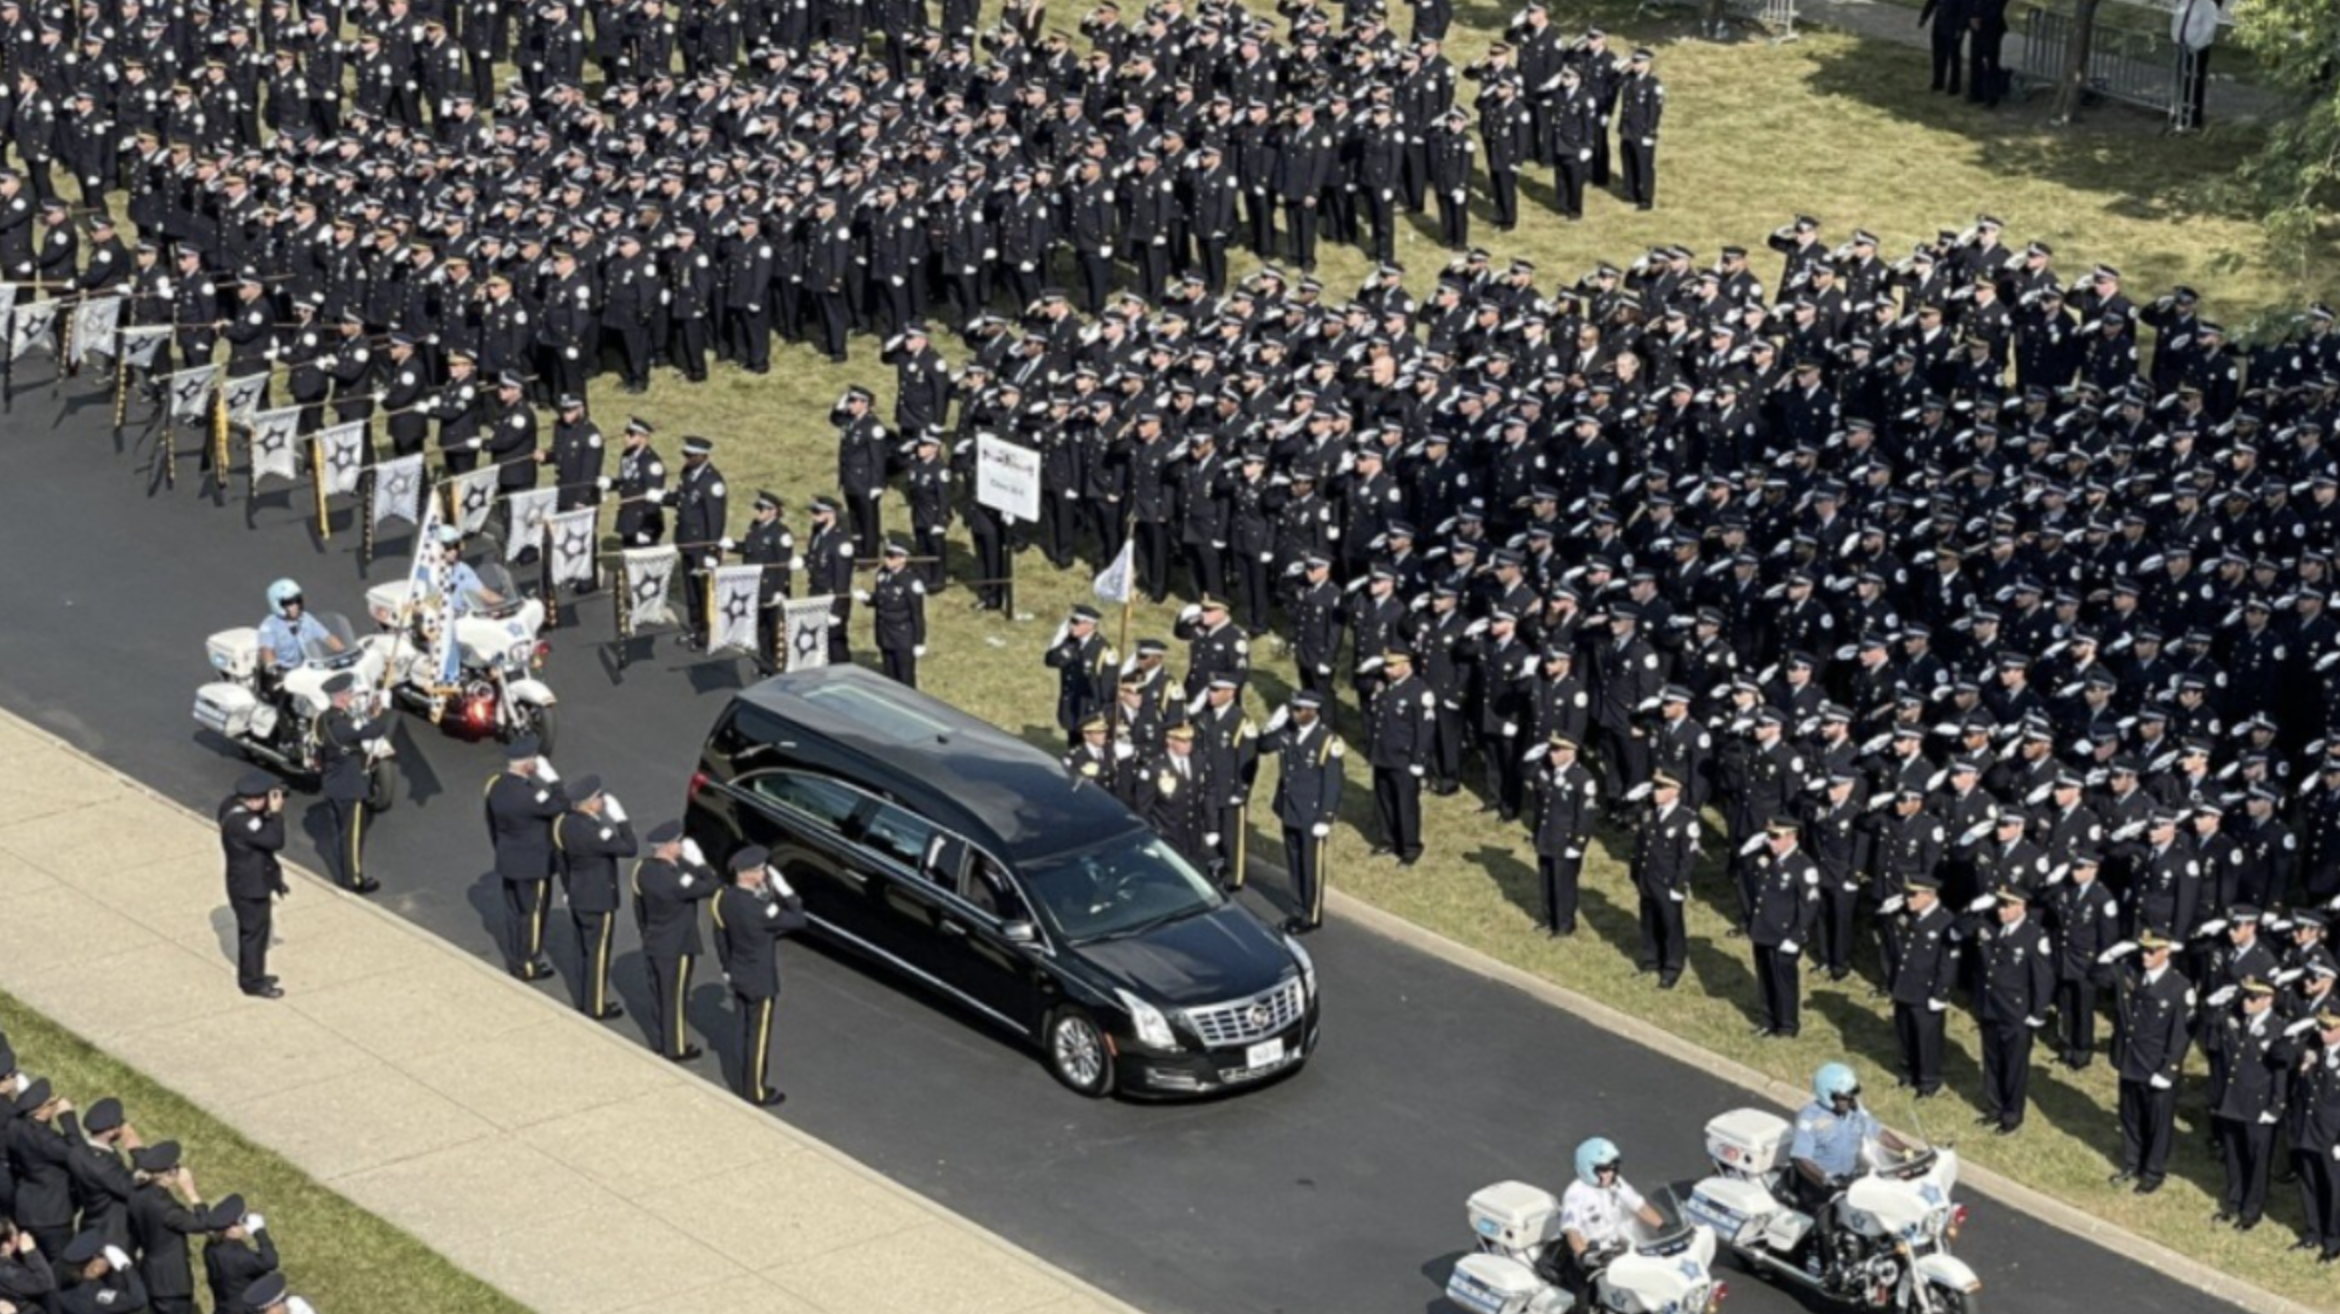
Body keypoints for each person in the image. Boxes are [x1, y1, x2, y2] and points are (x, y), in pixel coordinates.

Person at [711, 846, 808, 1106]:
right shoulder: (760, 910)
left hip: (739, 972)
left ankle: (743, 1079)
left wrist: (727, 967)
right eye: (762, 869)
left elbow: (720, 935)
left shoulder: (724, 898)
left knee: (743, 1029)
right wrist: (786, 892)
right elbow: (798, 920)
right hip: (759, 979)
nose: (765, 873)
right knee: (758, 1037)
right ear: (751, 874)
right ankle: (755, 1090)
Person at [2103, 928, 2193, 1194]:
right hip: (2131, 1060)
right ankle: (2132, 1162)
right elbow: (2095, 975)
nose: (2146, 955)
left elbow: (2181, 1034)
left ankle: (2153, 1172)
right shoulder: (2131, 972)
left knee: (2158, 1124)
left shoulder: (2179, 987)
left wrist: (2169, 1069)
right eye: (2143, 949)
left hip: (2157, 1066)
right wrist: (2111, 954)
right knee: (2130, 1117)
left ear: (2166, 952)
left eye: (2152, 950)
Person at [1257, 691, 1344, 933]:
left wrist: (1326, 816)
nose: (1293, 713)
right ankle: (1298, 908)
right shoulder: (1287, 731)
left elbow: (1333, 782)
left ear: (1310, 711)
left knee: (1310, 866)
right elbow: (1263, 746)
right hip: (1290, 808)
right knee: (1294, 863)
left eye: (1297, 709)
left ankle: (1311, 914)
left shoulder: (1327, 741)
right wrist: (1273, 724)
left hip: (1312, 814)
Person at [1968, 883, 2053, 1134]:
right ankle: (1994, 1107)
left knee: (2014, 1066)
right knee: (1992, 1060)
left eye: (2006, 905)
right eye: (1999, 905)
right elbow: (1959, 929)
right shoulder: (1991, 925)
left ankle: (2012, 1114)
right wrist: (1971, 909)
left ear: (2021, 906)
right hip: (1990, 1006)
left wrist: (2037, 1013)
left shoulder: (2034, 936)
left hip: (2017, 1012)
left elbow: (2043, 977)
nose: (2001, 911)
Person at [2203, 978, 2286, 1231]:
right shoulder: (2236, 1019)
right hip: (2233, 1101)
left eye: (2252, 998)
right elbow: (2209, 1025)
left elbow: (2280, 1073)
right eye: (2244, 998)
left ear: (2267, 999)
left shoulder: (2278, 1028)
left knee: (2256, 1162)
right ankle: (2234, 1201)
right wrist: (2212, 1004)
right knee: (2234, 1157)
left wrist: (2275, 1107)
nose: (2245, 1003)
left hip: (2258, 1106)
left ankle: (2251, 1210)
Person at [632, 821, 719, 1062]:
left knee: (659, 994)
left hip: (654, 939)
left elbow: (638, 905)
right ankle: (675, 1047)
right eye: (678, 842)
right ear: (669, 847)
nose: (681, 845)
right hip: (676, 944)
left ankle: (661, 1041)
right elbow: (711, 886)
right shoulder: (676, 879)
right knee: (674, 997)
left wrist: (645, 931)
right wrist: (701, 863)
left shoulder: (643, 869)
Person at [1789, 1062, 1911, 1233]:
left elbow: (1879, 1133)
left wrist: (1908, 1151)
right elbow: (1801, 1158)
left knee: (1880, 1216)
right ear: (1827, 1095)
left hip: (1849, 1180)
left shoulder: (1855, 1110)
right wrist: (1825, 1179)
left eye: (1852, 1094)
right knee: (1824, 1229)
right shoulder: (1809, 1118)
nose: (1851, 1100)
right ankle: (1825, 1258)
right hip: (1819, 1187)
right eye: (1844, 1097)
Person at [483, 735, 568, 981]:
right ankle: (528, 963)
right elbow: (561, 804)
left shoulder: (496, 786)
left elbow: (492, 824)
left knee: (515, 913)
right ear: (527, 764)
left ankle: (516, 958)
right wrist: (553, 780)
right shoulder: (529, 796)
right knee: (533, 915)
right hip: (534, 864)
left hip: (508, 859)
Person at [553, 775, 637, 1020]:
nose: (602, 800)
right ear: (589, 803)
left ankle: (583, 997)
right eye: (599, 797)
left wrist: (569, 889)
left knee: (582, 949)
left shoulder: (564, 824)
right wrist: (621, 820)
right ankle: (596, 1005)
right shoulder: (595, 831)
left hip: (579, 893)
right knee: (597, 953)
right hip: (598, 898)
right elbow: (629, 848)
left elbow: (562, 861)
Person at [1557, 1137, 1664, 1302]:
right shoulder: (1575, 1194)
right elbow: (1572, 1232)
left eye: (1613, 1168)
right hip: (1591, 1256)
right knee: (1588, 1299)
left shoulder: (1616, 1183)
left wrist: (1664, 1226)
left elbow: (1640, 1206)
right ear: (1588, 1168)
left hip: (1617, 1250)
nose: (1610, 1173)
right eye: (1604, 1169)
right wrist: (1586, 1255)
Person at [312, 673, 385, 894]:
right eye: (350, 693)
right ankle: (353, 880)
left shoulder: (322, 719)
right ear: (342, 697)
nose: (352, 696)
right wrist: (378, 715)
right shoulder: (341, 726)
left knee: (341, 835)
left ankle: (346, 874)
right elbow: (372, 732)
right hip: (348, 786)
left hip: (332, 783)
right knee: (352, 838)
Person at [219, 771, 289, 999]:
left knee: (258, 932)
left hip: (251, 880)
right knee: (253, 935)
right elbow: (274, 841)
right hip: (250, 887)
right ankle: (252, 982)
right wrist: (276, 815)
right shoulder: (243, 822)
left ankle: (255, 973)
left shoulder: (231, 807)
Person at [1748, 818, 1821, 1039]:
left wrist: (1797, 936)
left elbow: (1809, 905)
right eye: (1769, 836)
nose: (1771, 842)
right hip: (1764, 930)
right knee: (1766, 979)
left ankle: (1787, 1025)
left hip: (1784, 935)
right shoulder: (1769, 859)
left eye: (1776, 837)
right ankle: (1768, 1021)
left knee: (1784, 983)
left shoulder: (1803, 866)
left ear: (1791, 837)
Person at [1631, 773, 1699, 989]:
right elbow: (1642, 847)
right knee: (1649, 921)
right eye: (1655, 787)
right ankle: (1652, 960)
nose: (1655, 791)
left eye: (1661, 787)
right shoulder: (1650, 814)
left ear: (1675, 791)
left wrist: (1680, 885)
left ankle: (1672, 966)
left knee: (1671, 925)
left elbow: (1688, 857)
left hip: (1668, 882)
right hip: (1648, 877)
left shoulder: (1685, 819)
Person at [126, 1141, 208, 1314]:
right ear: (168, 1173)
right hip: (172, 1283)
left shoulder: (138, 1192)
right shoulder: (165, 1208)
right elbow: (203, 1225)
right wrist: (191, 1192)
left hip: (152, 1274)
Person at [1531, 734, 1597, 937]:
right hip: (1548, 836)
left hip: (1566, 841)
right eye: (1552, 749)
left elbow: (1585, 816)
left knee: (1563, 886)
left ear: (1571, 752)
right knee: (1546, 882)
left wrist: (1577, 844)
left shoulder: (1582, 778)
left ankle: (1565, 924)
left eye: (1558, 749)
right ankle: (1550, 919)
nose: (1552, 753)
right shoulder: (1549, 772)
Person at [864, 541, 927, 686]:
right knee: (889, 676)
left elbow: (917, 613)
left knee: (905, 678)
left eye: (891, 556)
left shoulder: (910, 581)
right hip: (885, 632)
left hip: (902, 636)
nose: (887, 559)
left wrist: (919, 641)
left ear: (902, 559)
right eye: (886, 555)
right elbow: (881, 599)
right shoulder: (882, 574)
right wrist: (868, 599)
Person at [255, 580, 342, 681]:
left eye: (297, 601)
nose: (295, 606)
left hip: (307, 669)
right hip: (283, 673)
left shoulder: (306, 618)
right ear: (277, 605)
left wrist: (343, 652)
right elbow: (266, 651)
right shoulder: (269, 625)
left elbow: (328, 637)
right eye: (289, 603)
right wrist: (273, 668)